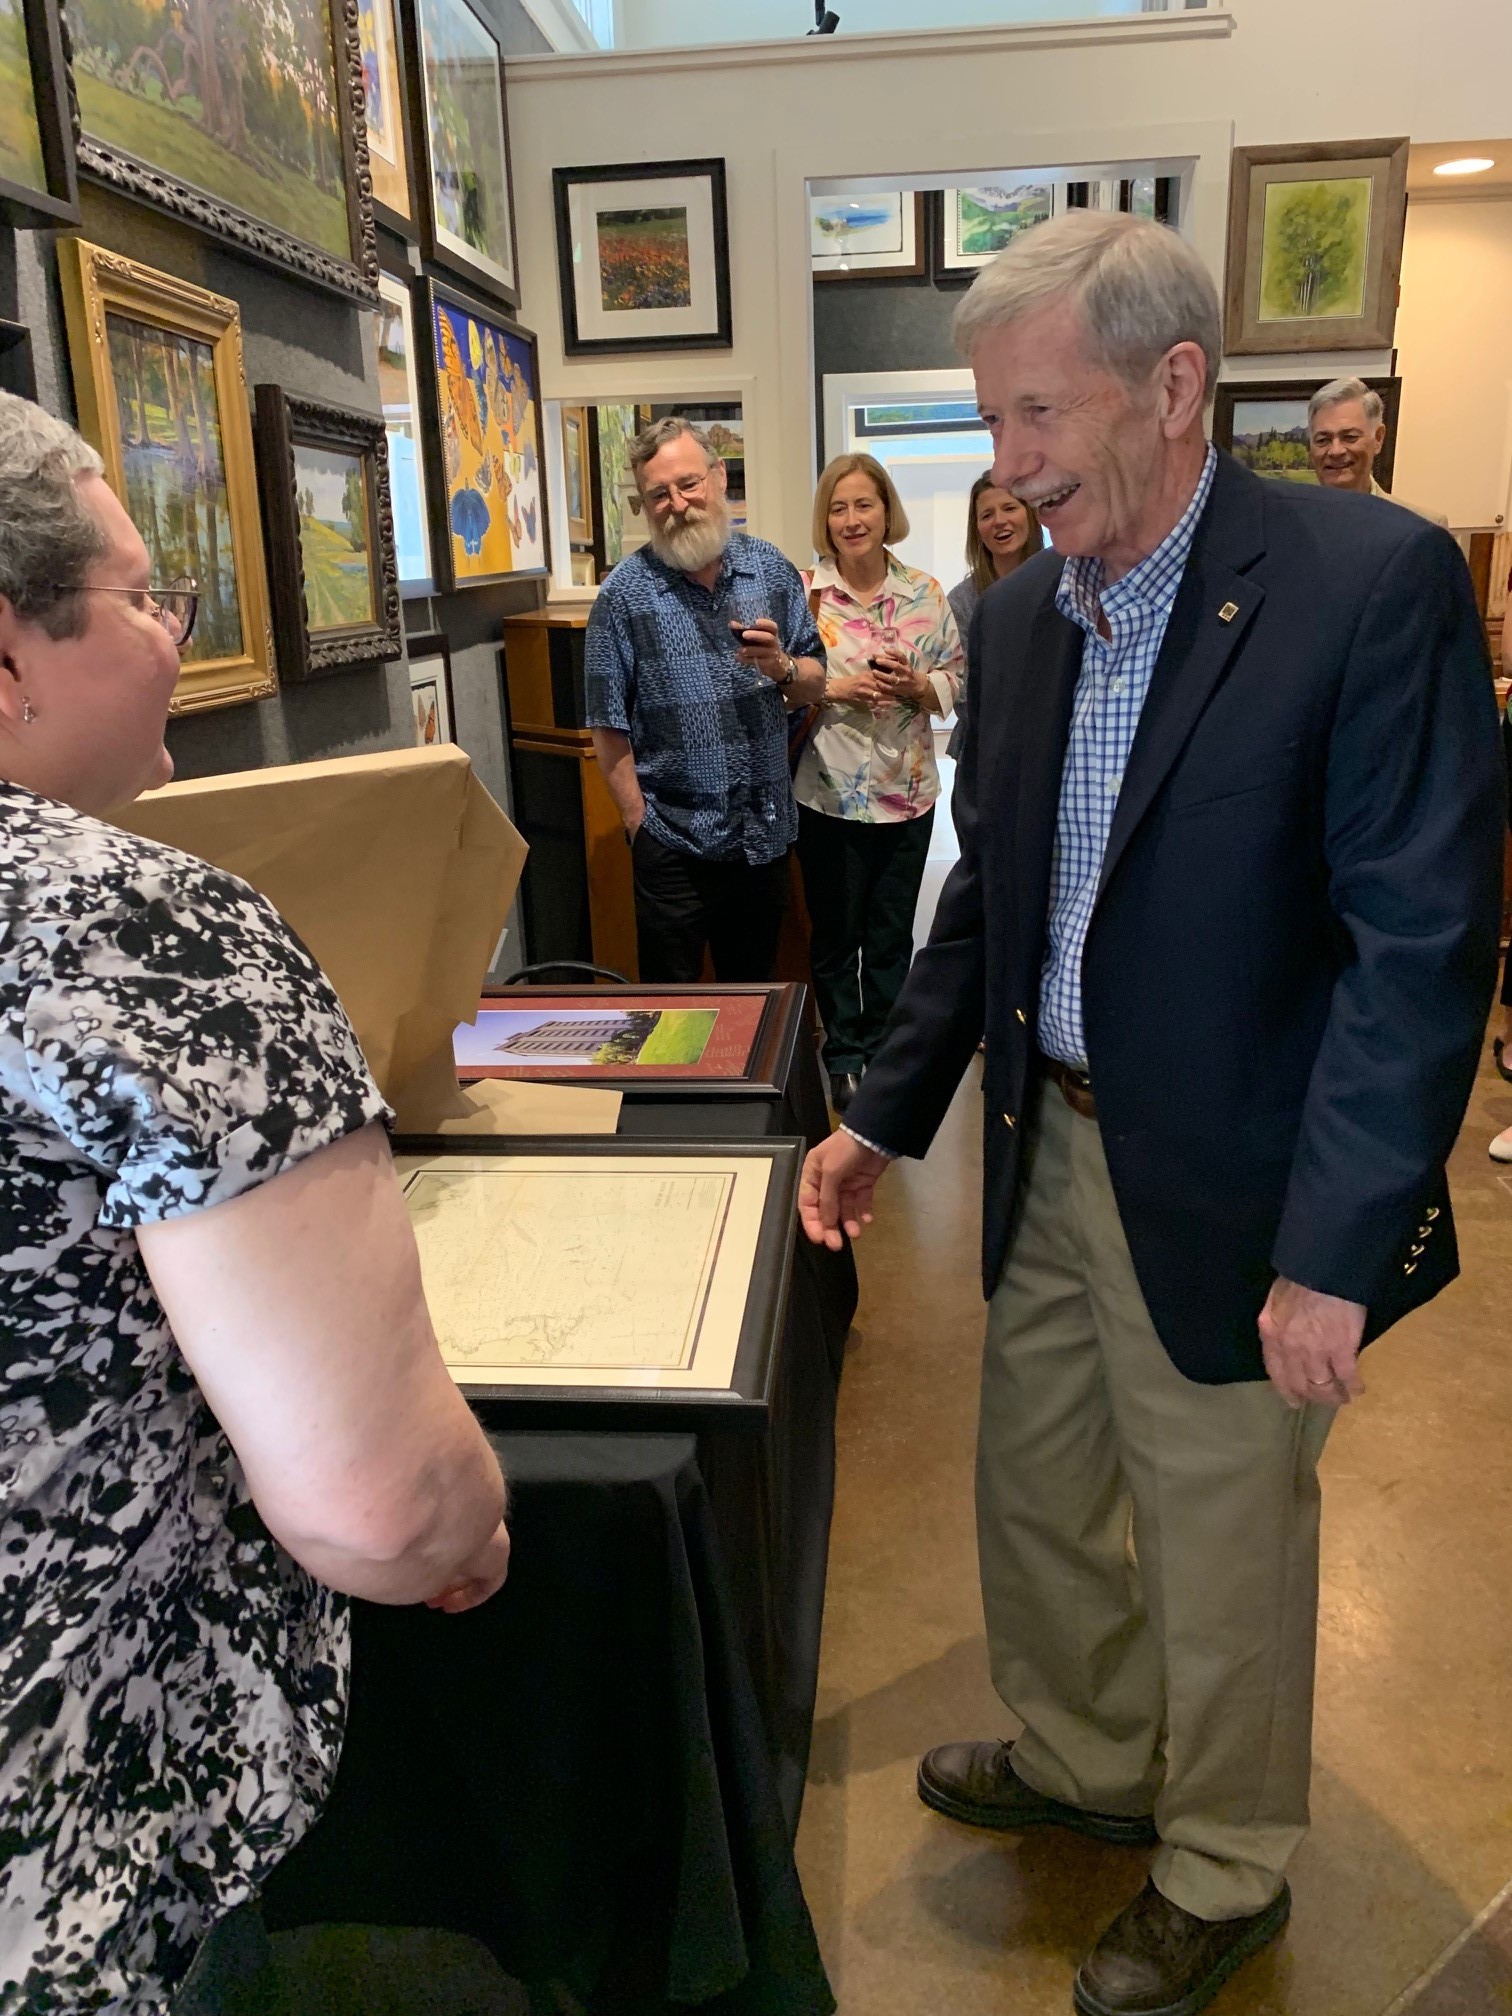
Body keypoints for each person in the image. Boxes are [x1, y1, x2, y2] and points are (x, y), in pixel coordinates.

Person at [799, 213, 1505, 2016]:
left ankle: (1221, 1859)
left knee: (1221, 1535)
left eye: (1039, 414)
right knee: (1029, 1487)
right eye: (990, 421)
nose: (1006, 465)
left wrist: (1336, 1249)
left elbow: (1417, 944)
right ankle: (1093, 1754)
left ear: (1176, 385)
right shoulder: (1021, 618)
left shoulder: (1364, 581)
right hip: (1044, 1142)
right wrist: (882, 1117)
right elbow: (992, 905)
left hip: (1240, 1184)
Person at [0, 391, 511, 2013]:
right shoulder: (139, 930)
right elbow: (385, 1506)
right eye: (151, 595)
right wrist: (464, 1527)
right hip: (79, 1874)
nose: (174, 638)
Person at [585, 417, 825, 983]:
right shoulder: (622, 595)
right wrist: (637, 823)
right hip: (671, 845)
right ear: (645, 505)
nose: (677, 502)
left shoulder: (772, 570)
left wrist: (782, 667)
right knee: (672, 1020)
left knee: (753, 1004)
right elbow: (606, 726)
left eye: (688, 483)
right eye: (658, 494)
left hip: (761, 837)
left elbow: (816, 680)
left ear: (719, 478)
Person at [794, 454, 963, 1112]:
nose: (852, 519)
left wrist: (922, 687)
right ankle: (842, 1054)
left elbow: (958, 675)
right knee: (836, 936)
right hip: (828, 792)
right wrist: (839, 686)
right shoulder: (806, 592)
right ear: (826, 521)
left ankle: (886, 1055)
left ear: (886, 511)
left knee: (891, 936)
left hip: (908, 791)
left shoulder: (926, 591)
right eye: (838, 508)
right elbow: (781, 681)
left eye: (863, 504)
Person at [945, 472, 1040, 761]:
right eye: (987, 515)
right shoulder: (962, 601)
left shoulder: (1068, 583)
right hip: (984, 754)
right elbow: (963, 693)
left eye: (1010, 508)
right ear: (977, 530)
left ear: (1032, 514)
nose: (999, 521)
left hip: (1054, 750)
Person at [1307, 376, 1448, 524]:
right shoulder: (1286, 524)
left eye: (1349, 437)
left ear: (1378, 438)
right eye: (1323, 440)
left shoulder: (1425, 526)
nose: (1336, 451)